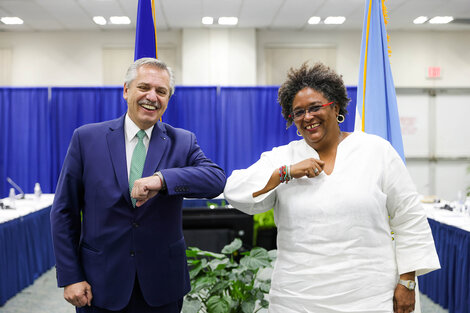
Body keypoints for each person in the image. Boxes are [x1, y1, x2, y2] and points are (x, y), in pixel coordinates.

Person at [223, 62, 440, 313]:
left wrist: (407, 282)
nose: (307, 117)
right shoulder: (284, 157)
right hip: (297, 297)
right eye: (298, 112)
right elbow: (234, 190)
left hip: (370, 295)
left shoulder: (375, 151)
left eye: (315, 107)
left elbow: (409, 219)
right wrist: (286, 172)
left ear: (335, 107)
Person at [50, 57, 226, 313]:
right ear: (126, 90)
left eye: (161, 91)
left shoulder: (183, 141)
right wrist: (70, 276)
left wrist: (163, 180)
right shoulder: (86, 139)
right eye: (144, 87)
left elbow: (215, 179)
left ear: (168, 99)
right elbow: (64, 212)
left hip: (162, 286)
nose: (152, 96)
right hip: (100, 285)